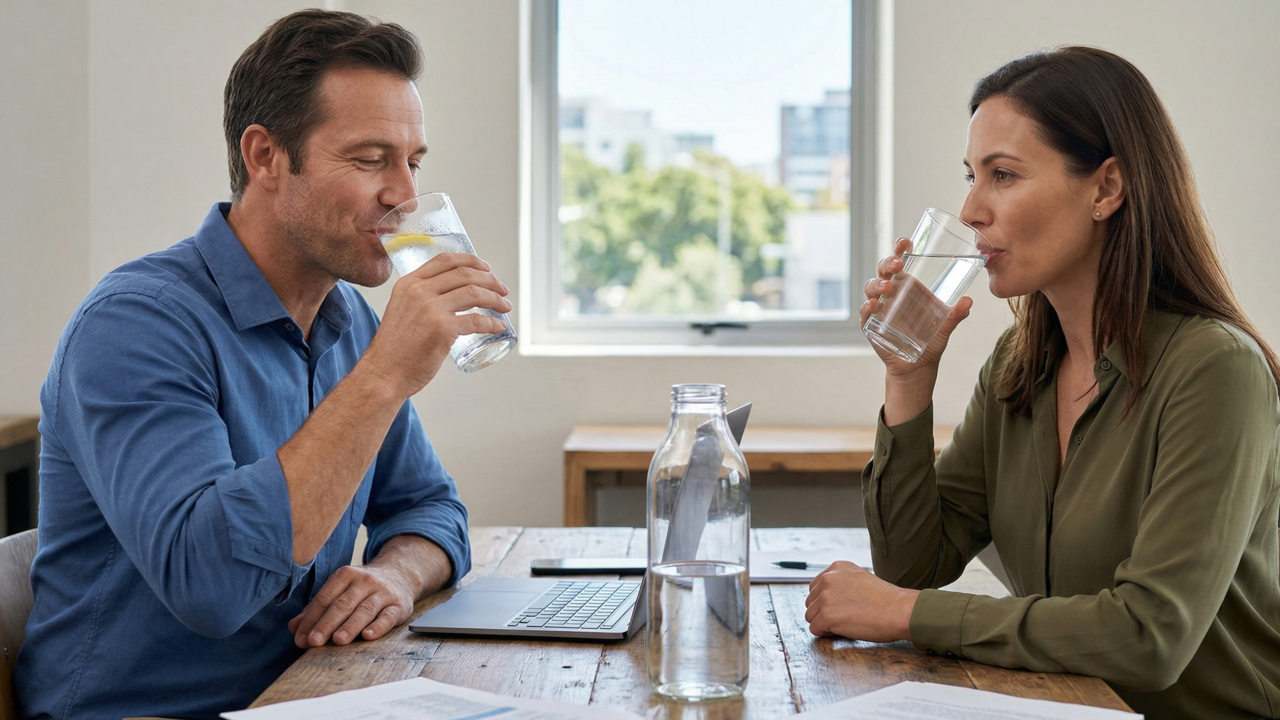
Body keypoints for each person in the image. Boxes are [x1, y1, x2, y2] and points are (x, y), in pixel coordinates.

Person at [15, 10, 513, 719]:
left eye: (413, 162)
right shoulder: (134, 325)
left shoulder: (348, 321)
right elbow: (210, 589)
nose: (403, 195)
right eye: (369, 160)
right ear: (265, 157)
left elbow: (430, 508)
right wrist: (385, 377)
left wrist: (396, 576)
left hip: (305, 695)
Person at [803, 47, 1280, 720]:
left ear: (1106, 189)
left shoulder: (1215, 370)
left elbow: (1149, 637)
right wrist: (908, 377)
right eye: (971, 176)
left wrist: (908, 614)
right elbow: (913, 566)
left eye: (1002, 175)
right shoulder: (1019, 365)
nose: (971, 209)